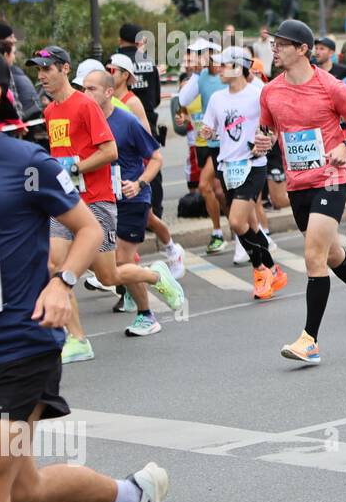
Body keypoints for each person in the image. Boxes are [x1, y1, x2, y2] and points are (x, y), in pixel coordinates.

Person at [0, 48, 174, 502]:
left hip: (19, 349)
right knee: (22, 490)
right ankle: (132, 494)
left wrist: (63, 282)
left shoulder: (26, 163)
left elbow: (88, 229)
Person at [253, 19, 346, 364]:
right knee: (331, 253)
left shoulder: (330, 86)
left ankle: (309, 340)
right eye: (274, 44)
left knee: (313, 255)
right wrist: (263, 141)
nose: (275, 49)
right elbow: (266, 129)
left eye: (282, 44)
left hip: (331, 176)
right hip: (299, 183)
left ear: (302, 49)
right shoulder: (271, 90)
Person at [82, 68, 187, 334]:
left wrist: (139, 182)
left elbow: (156, 158)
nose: (85, 94)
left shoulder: (126, 121)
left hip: (132, 197)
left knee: (121, 260)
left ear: (108, 92)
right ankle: (140, 288)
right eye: (83, 88)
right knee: (103, 261)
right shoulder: (84, 123)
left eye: (91, 88)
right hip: (102, 200)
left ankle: (147, 314)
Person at [200, 47, 288, 298]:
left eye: (223, 65)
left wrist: (268, 140)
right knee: (250, 224)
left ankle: (261, 270)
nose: (218, 69)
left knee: (237, 222)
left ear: (238, 67)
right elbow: (211, 127)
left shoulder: (258, 93)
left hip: (252, 165)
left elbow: (276, 124)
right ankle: (273, 269)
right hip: (226, 167)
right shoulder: (217, 98)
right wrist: (207, 131)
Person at [174, 39, 228, 253]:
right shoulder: (200, 77)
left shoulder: (227, 74)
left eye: (197, 55)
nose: (192, 60)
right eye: (191, 56)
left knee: (220, 190)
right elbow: (184, 99)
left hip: (228, 142)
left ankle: (244, 231)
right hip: (205, 142)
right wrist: (196, 74)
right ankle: (220, 232)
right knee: (212, 189)